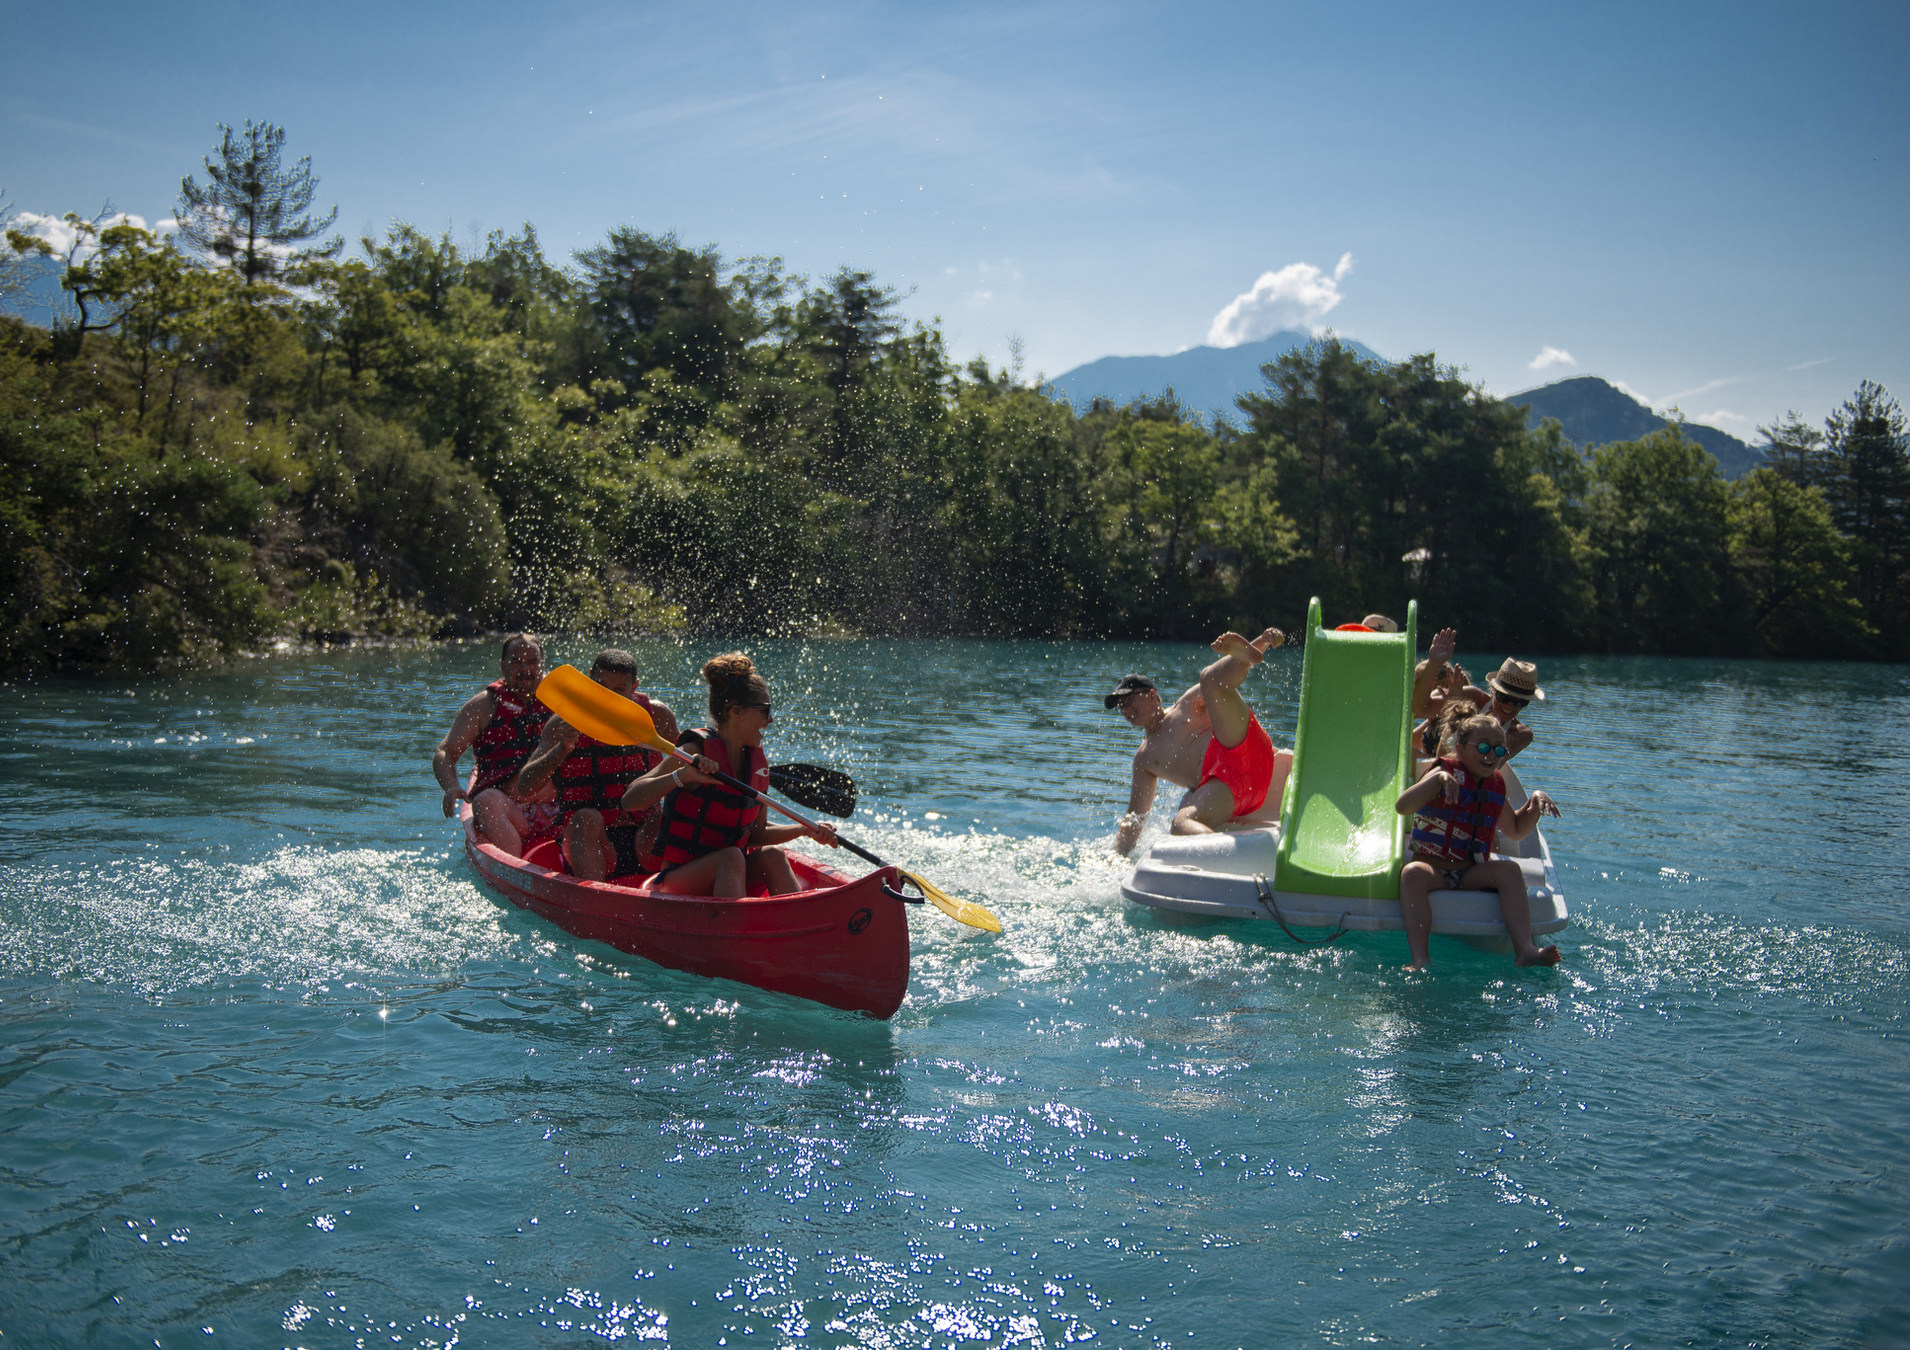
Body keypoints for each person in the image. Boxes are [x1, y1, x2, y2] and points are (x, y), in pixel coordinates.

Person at [621, 652, 838, 899]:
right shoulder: (694, 751)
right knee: (731, 857)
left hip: (730, 872)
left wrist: (803, 829)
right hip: (677, 881)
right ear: (736, 712)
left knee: (773, 855)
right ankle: (734, 931)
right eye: (765, 711)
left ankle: (800, 924)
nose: (770, 720)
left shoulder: (756, 766)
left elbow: (755, 833)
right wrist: (683, 776)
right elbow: (630, 800)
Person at [1394, 711, 1562, 969]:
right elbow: (1403, 806)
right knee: (1412, 873)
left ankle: (1525, 950)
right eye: (1483, 747)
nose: (1490, 755)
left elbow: (1515, 830)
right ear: (1460, 748)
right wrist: (1437, 781)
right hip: (1433, 870)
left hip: (1469, 872)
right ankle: (1420, 958)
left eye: (1499, 750)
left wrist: (1534, 805)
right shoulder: (1443, 772)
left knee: (1509, 870)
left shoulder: (1494, 785)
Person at [1107, 628, 1294, 855]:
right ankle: (1233, 858)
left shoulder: (1185, 706)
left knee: (1210, 679)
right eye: (1121, 705)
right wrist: (1117, 857)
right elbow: (1135, 817)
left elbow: (1223, 683)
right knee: (1180, 823)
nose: (1125, 708)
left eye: (1129, 699)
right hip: (1229, 789)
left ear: (1153, 696)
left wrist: (1264, 640)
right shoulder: (1144, 759)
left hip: (1242, 748)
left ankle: (1245, 657)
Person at [515, 649, 679, 882]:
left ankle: (675, 888)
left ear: (634, 687)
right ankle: (594, 897)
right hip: (588, 842)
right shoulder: (562, 723)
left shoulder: (658, 717)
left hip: (645, 840)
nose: (607, 697)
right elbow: (524, 787)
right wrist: (561, 749)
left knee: (665, 811)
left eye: (619, 690)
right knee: (588, 818)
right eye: (601, 686)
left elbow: (687, 761)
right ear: (589, 678)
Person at [431, 632, 559, 857]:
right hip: (509, 811)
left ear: (543, 665)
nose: (525, 669)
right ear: (502, 666)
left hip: (559, 810)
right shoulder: (484, 705)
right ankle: (513, 868)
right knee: (485, 802)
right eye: (516, 662)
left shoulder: (560, 701)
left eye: (532, 662)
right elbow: (445, 752)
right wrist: (451, 786)